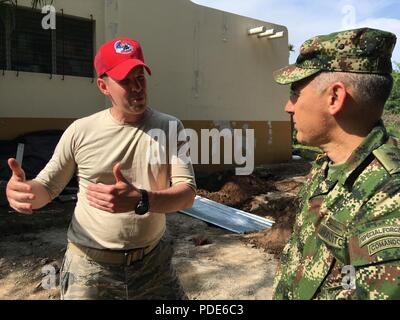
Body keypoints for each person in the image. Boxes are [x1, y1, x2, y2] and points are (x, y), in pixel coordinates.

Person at [6, 38, 197, 300]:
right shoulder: (80, 131)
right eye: (125, 81)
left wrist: (142, 199)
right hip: (89, 268)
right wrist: (24, 192)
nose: (137, 88)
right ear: (103, 86)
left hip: (153, 263)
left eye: (140, 77)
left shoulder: (170, 127)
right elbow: (47, 188)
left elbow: (187, 194)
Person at [272, 28, 400, 300]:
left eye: (295, 93)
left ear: (334, 97)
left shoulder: (390, 197)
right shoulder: (327, 163)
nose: (288, 107)